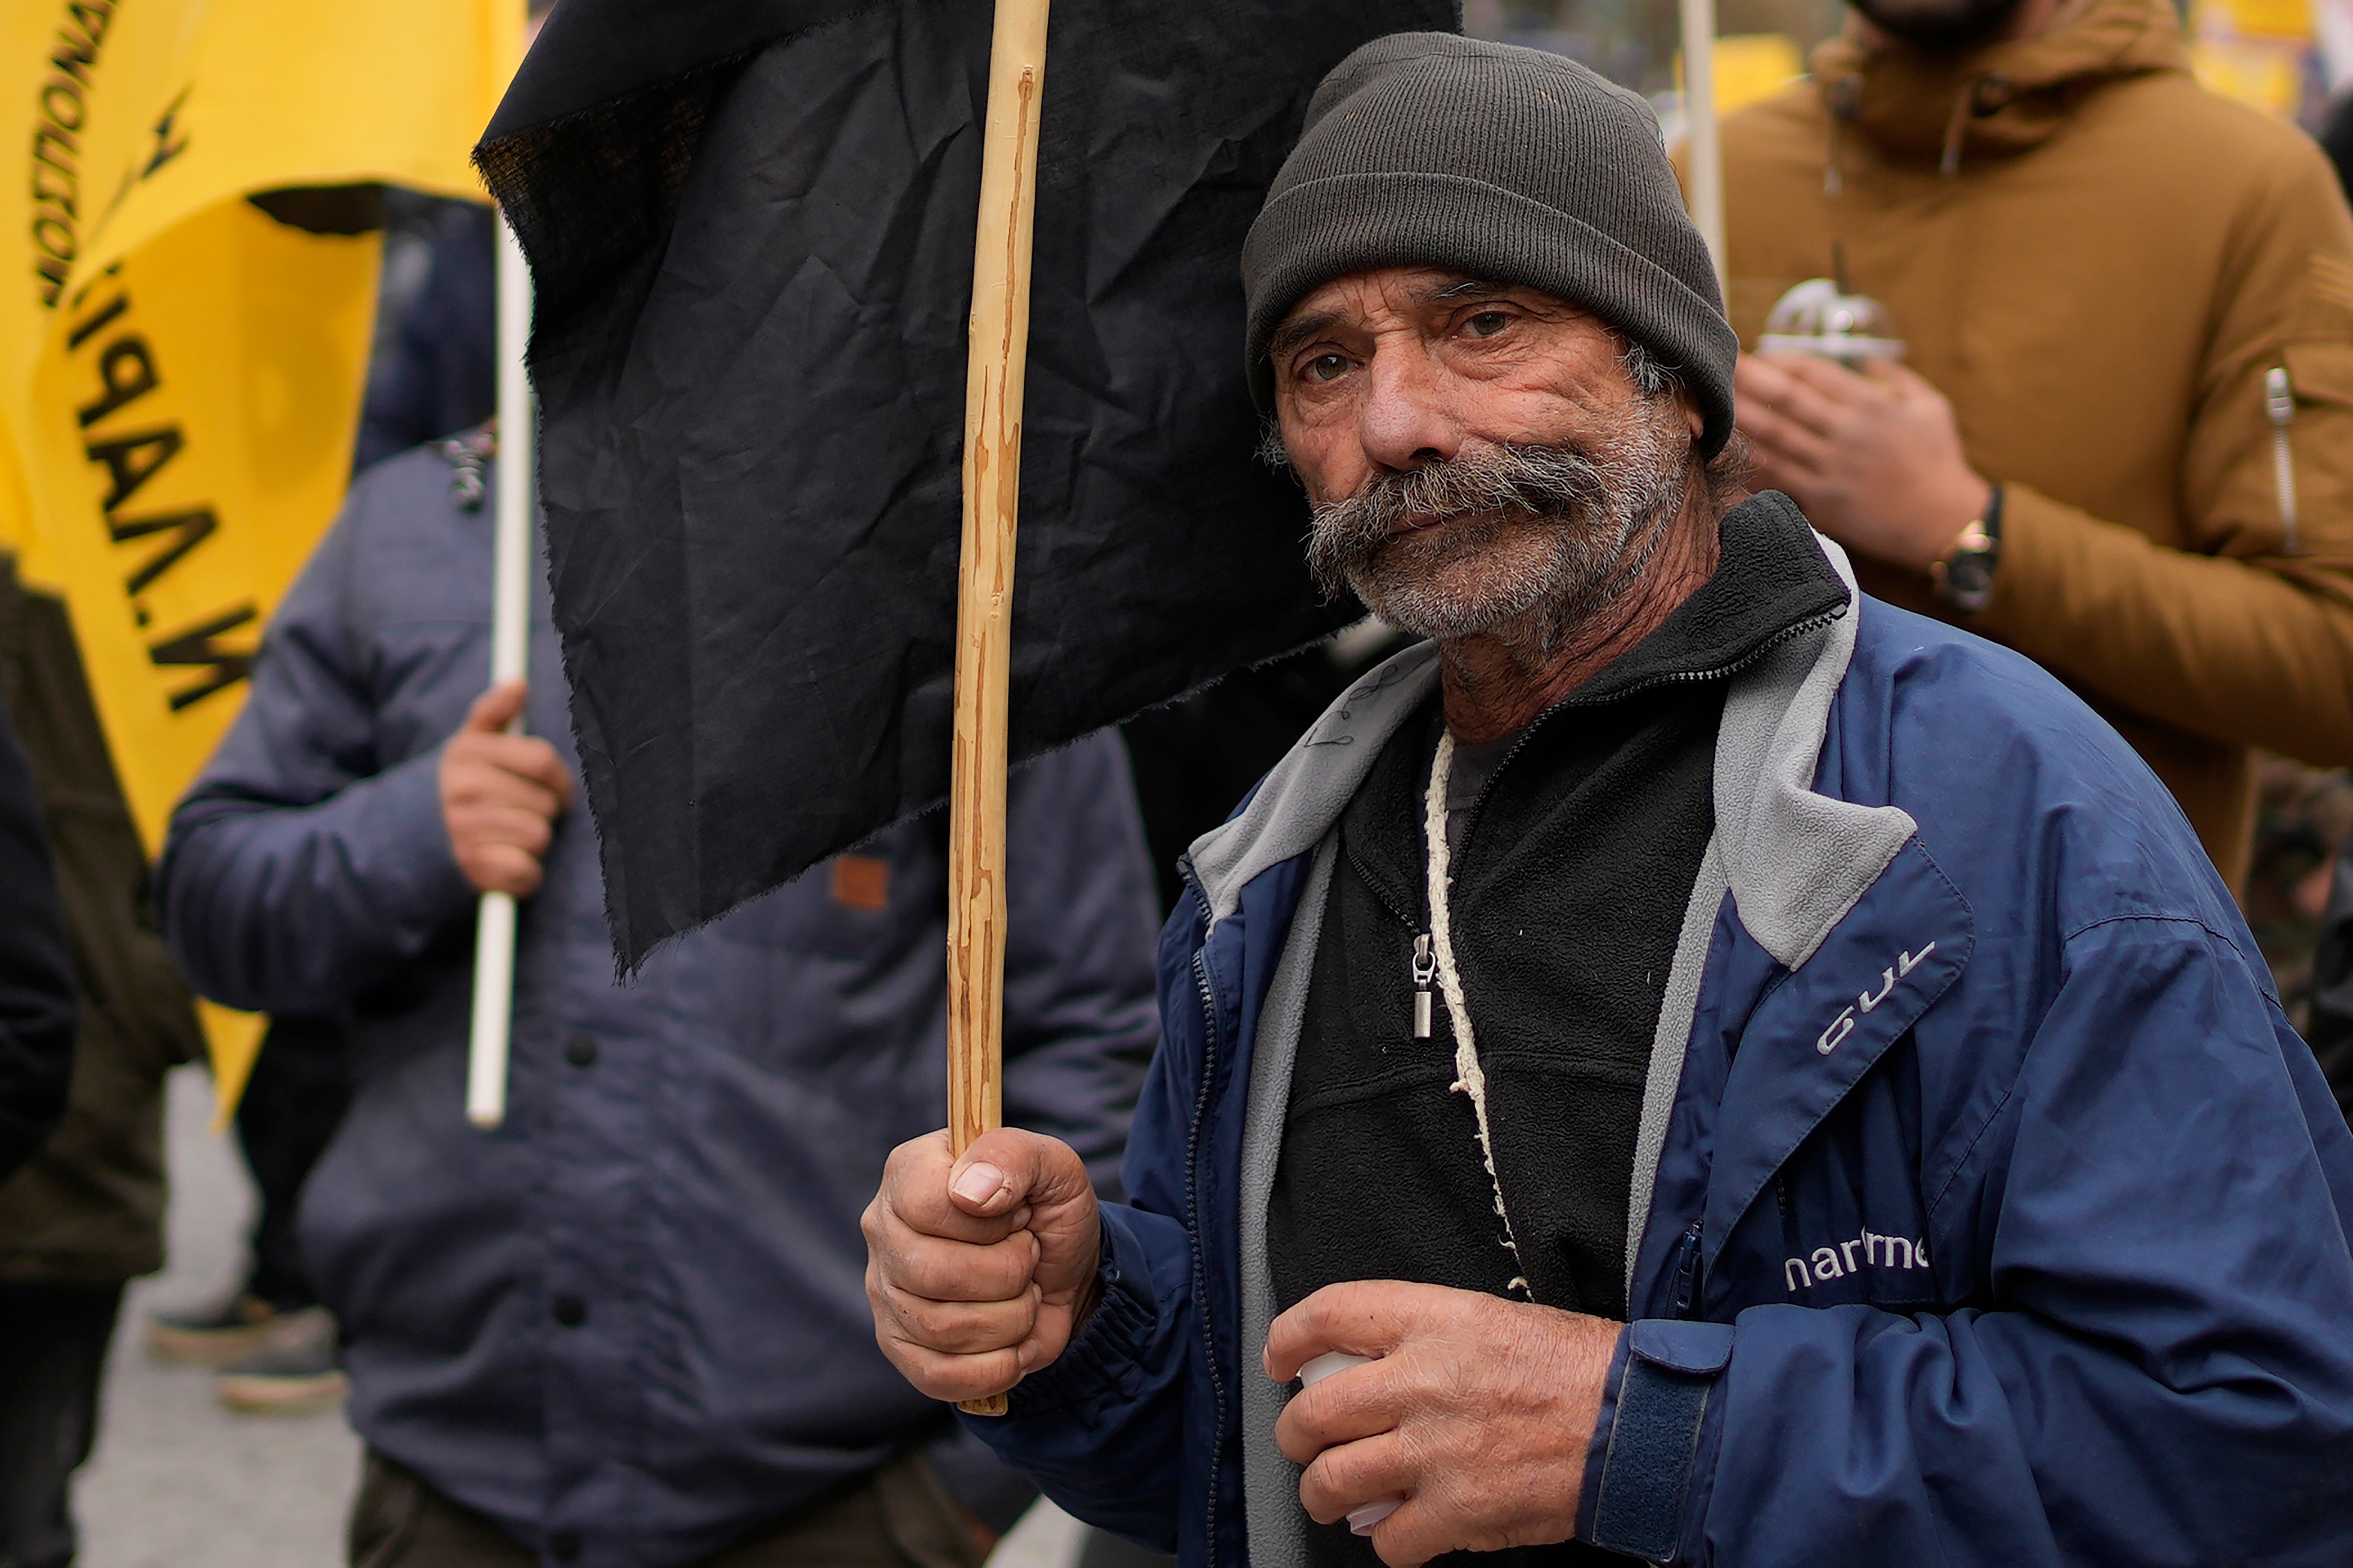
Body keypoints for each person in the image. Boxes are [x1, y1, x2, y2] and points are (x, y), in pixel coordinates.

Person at [861, 35, 2353, 1568]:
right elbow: (1257, 1454)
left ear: (1674, 377)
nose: (1395, 422)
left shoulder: (1991, 823)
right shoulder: (1272, 870)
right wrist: (1085, 1318)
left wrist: (1645, 1435)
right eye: (1324, 364)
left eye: (1483, 323)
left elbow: (2254, 1441)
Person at [155, 426, 1164, 1568]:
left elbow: (1096, 1033)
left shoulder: (963, 567)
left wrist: (960, 1491)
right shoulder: (415, 529)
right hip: (449, 1488)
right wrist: (408, 834)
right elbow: (209, 908)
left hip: (838, 1510)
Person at [1716, 0, 2353, 893]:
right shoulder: (1710, 176)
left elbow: (2327, 669)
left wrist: (1968, 530)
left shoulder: (2248, 187)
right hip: (1724, 952)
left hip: (2093, 946)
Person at [0, 556, 157, 1568]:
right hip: (78, 1115)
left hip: (71, 1166)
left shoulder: (99, 548)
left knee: (23, 1526)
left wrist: (146, 1015)